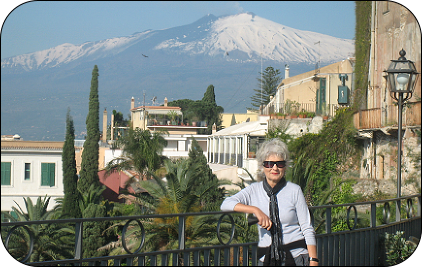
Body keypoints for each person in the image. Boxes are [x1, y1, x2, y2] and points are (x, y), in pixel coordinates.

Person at [220, 138, 318, 266]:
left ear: (285, 166)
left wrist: (314, 260)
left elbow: (307, 227)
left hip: (296, 257)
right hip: (267, 259)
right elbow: (225, 204)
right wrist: (255, 210)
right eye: (269, 164)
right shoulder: (254, 190)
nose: (275, 168)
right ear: (262, 166)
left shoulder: (294, 190)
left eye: (280, 164)